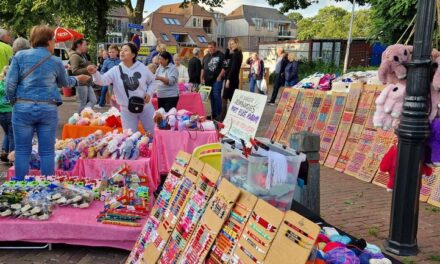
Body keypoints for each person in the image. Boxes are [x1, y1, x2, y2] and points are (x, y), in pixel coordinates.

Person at [6, 25, 90, 180]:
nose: (55, 44)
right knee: (47, 152)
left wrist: (15, 103)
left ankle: (19, 188)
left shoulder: (19, 56)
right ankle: (46, 187)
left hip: (22, 107)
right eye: (54, 41)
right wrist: (79, 79)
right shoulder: (55, 61)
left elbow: (10, 85)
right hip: (47, 108)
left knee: (22, 150)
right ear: (48, 41)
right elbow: (65, 83)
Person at [88, 42, 155, 134]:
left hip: (145, 107)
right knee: (129, 136)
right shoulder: (116, 70)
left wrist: (149, 93)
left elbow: (153, 81)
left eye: (126, 50)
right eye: (121, 50)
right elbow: (102, 81)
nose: (122, 52)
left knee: (152, 133)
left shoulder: (142, 67)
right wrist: (95, 73)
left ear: (133, 55)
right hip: (126, 110)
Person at [69, 38, 97, 113]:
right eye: (85, 45)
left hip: (88, 82)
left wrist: (92, 66)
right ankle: (79, 118)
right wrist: (87, 69)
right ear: (79, 45)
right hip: (81, 83)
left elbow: (86, 66)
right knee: (83, 103)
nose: (86, 46)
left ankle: (84, 114)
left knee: (93, 100)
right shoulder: (74, 56)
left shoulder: (83, 55)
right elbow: (74, 71)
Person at [201, 41, 225, 121]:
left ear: (215, 47)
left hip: (217, 80)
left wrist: (220, 76)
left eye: (211, 47)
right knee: (211, 98)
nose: (209, 49)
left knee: (216, 96)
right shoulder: (206, 56)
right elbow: (203, 68)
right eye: (208, 47)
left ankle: (219, 115)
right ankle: (214, 114)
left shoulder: (221, 55)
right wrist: (202, 77)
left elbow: (224, 67)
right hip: (208, 81)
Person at [221, 38, 243, 121]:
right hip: (229, 79)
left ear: (237, 44)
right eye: (230, 44)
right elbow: (225, 64)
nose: (231, 45)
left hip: (231, 80)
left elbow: (234, 68)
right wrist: (227, 49)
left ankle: (224, 118)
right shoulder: (233, 54)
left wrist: (228, 79)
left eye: (233, 43)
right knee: (229, 98)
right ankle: (228, 117)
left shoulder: (237, 54)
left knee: (227, 98)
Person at [0, 66, 13, 162]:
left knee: (7, 132)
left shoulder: (0, 84)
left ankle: (4, 152)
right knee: (12, 135)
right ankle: (12, 157)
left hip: (1, 113)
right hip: (10, 112)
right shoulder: (12, 85)